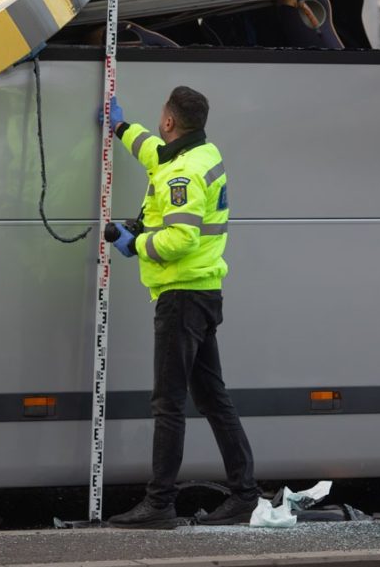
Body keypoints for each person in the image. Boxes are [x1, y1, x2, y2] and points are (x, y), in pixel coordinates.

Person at [99, 85, 259, 529]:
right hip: (204, 292)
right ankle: (245, 495)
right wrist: (120, 128)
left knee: (168, 403)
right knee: (212, 398)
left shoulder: (180, 174)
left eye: (160, 118)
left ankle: (160, 504)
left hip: (182, 296)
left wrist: (136, 242)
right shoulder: (202, 154)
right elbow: (156, 154)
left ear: (169, 121)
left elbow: (179, 239)